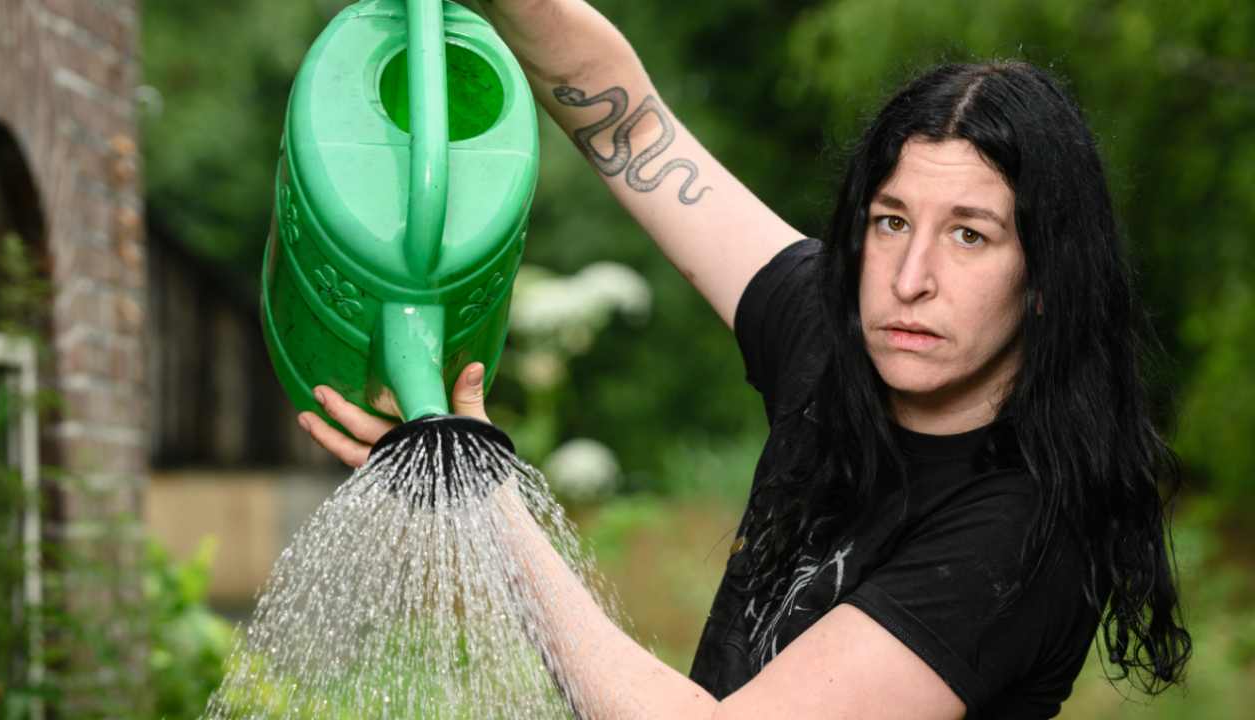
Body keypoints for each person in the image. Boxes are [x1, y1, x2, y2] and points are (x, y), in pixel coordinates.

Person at [298, 1, 1192, 717]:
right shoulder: (837, 332)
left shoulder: (1026, 534)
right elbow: (625, 125)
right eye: (891, 221)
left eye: (970, 235)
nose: (910, 278)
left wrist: (482, 492)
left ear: (1046, 279)